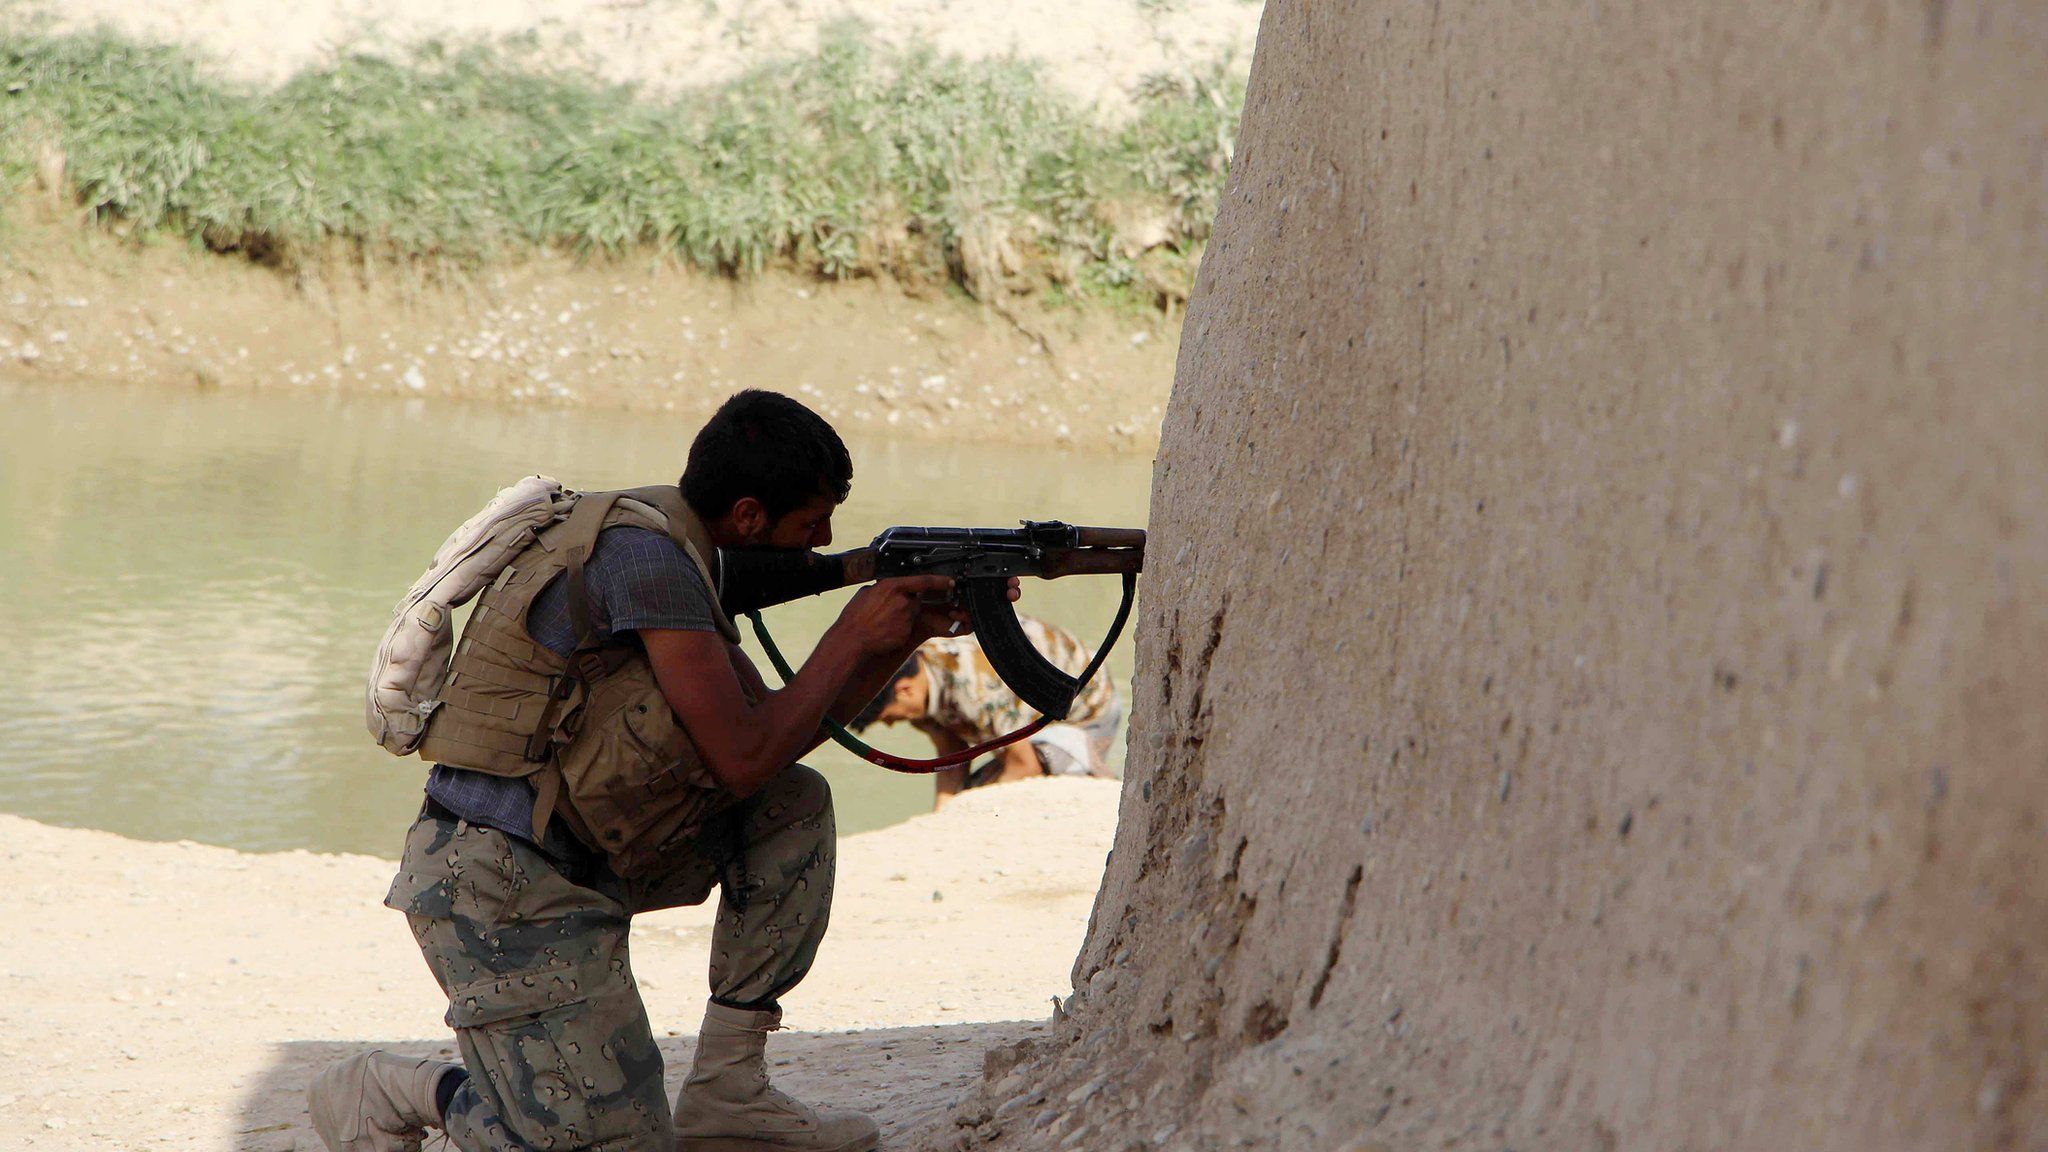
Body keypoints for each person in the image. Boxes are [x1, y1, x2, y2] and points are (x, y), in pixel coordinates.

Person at [308, 390, 1000, 1152]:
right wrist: (850, 629)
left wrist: (895, 639)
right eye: (811, 527)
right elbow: (743, 756)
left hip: (588, 854)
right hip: (495, 886)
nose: (825, 544)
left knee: (790, 807)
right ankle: (406, 1089)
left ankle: (728, 1092)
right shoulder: (646, 563)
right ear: (746, 517)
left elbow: (771, 739)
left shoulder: (676, 559)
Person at [851, 615, 1122, 807]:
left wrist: (972, 812)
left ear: (905, 690)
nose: (890, 725)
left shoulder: (975, 689)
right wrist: (941, 815)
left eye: (888, 717)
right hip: (1031, 717)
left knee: (996, 793)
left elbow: (1024, 765)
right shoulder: (919, 683)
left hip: (1084, 713)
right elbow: (951, 756)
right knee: (971, 794)